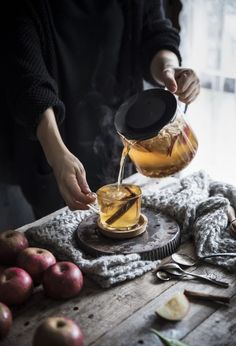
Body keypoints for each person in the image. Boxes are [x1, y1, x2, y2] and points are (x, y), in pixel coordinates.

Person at [1, 0, 200, 218]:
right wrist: (56, 154)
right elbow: (28, 80)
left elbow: (155, 36)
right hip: (52, 144)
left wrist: (170, 69)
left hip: (122, 135)